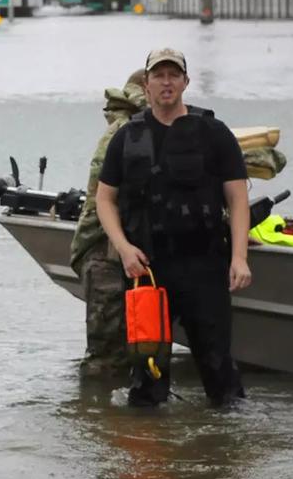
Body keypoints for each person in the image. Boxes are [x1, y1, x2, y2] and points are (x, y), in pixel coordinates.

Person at [95, 48, 251, 407]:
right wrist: (122, 248)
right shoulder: (127, 137)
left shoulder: (214, 133)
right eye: (159, 76)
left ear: (185, 82)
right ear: (146, 84)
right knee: (147, 373)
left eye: (173, 75)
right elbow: (105, 200)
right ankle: (150, 453)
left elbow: (238, 199)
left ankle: (226, 452)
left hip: (205, 265)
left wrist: (239, 258)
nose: (167, 82)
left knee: (220, 374)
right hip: (147, 270)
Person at [69, 69, 146, 376]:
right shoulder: (123, 133)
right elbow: (105, 199)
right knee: (107, 356)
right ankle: (97, 417)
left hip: (125, 252)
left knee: (136, 349)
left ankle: (112, 419)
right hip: (104, 253)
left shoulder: (137, 130)